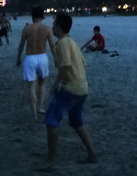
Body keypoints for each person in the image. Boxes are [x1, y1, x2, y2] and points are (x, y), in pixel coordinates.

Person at [44, 13, 97, 167]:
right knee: (77, 122)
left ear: (59, 27)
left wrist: (56, 85)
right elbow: (82, 64)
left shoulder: (61, 43)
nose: (52, 26)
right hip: (82, 88)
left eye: (54, 24)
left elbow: (65, 65)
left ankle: (51, 159)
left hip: (71, 88)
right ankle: (92, 154)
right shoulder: (72, 42)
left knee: (51, 121)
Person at [16, 7, 56, 120]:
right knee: (42, 82)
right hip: (42, 56)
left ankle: (34, 114)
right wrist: (56, 59)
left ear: (32, 16)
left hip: (30, 58)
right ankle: (41, 107)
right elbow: (52, 46)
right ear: (43, 16)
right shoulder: (47, 28)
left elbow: (21, 45)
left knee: (31, 86)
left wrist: (18, 58)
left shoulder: (27, 29)